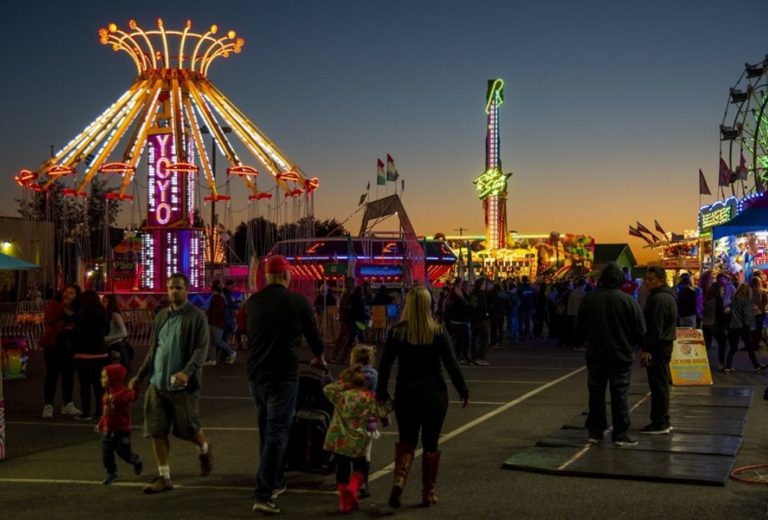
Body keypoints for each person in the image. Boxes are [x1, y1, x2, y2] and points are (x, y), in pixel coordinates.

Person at [246, 255, 327, 514]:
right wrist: (320, 358)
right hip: (283, 374)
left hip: (257, 374)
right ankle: (264, 492)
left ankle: (275, 478)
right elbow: (313, 335)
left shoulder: (253, 302)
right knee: (278, 431)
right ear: (286, 275)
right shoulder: (296, 301)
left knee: (265, 429)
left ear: (267, 276)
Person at [376, 285, 469, 509]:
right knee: (430, 442)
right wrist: (462, 390)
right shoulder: (437, 330)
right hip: (434, 394)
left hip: (406, 393)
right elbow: (452, 365)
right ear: (428, 304)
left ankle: (399, 482)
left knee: (407, 441)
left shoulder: (397, 332)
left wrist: (381, 392)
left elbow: (385, 366)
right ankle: (428, 493)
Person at [129, 273, 213, 494]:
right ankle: (164, 477)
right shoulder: (161, 317)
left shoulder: (197, 317)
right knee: (156, 430)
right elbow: (153, 350)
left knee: (187, 430)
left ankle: (204, 447)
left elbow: (201, 349)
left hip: (182, 386)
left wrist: (187, 372)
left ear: (187, 290)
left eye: (178, 287)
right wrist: (139, 377)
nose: (174, 291)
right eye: (170, 287)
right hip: (157, 384)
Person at [575, 262, 646, 447]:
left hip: (595, 354)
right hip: (620, 354)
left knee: (596, 393)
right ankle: (620, 433)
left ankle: (595, 431)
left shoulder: (589, 299)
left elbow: (578, 327)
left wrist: (587, 342)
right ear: (620, 280)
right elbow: (640, 330)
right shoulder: (628, 300)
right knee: (620, 394)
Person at [323, 364, 392, 513]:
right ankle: (353, 488)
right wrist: (390, 402)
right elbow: (381, 411)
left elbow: (327, 389)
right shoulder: (367, 397)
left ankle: (343, 501)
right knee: (360, 467)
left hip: (339, 438)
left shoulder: (340, 396)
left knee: (342, 468)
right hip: (358, 440)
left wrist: (342, 382)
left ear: (348, 382)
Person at [639, 266, 677, 435]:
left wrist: (646, 348)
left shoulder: (659, 299)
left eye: (650, 279)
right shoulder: (663, 296)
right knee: (660, 384)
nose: (647, 282)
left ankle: (659, 421)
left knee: (658, 384)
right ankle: (662, 419)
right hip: (663, 345)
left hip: (659, 347)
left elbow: (655, 328)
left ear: (661, 280)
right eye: (646, 279)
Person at [96, 363, 143, 485]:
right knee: (106, 453)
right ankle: (111, 472)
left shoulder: (123, 393)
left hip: (122, 430)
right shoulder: (106, 395)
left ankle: (135, 460)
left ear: (114, 378)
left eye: (105, 377)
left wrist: (136, 388)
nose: (102, 380)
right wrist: (101, 423)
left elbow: (133, 397)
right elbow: (105, 413)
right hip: (108, 430)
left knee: (123, 452)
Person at [348, 343, 385, 499]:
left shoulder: (350, 374)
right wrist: (384, 416)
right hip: (368, 421)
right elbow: (377, 398)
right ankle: (364, 484)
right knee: (366, 452)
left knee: (354, 453)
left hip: (351, 420)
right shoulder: (374, 375)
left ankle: (355, 482)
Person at [40, 286, 81, 418]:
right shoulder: (55, 304)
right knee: (52, 375)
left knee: (68, 376)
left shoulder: (78, 308)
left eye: (71, 293)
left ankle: (67, 404)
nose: (68, 295)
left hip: (71, 346)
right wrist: (62, 306)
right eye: (66, 292)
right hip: (54, 346)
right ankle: (48, 405)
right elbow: (49, 320)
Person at [73, 290, 110, 421]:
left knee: (85, 384)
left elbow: (77, 333)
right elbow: (107, 331)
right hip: (100, 352)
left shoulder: (81, 315)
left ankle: (86, 411)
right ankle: (100, 411)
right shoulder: (102, 314)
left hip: (84, 353)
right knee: (99, 384)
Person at [725, 283, 767, 374]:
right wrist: (752, 326)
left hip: (733, 326)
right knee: (750, 347)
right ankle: (756, 366)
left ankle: (728, 367)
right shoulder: (746, 301)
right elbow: (747, 315)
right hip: (743, 327)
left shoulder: (734, 300)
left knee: (733, 347)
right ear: (748, 291)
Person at [206, 280, 236, 366]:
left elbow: (219, 310)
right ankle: (212, 360)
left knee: (218, 340)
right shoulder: (216, 297)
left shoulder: (219, 297)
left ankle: (231, 353)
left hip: (218, 322)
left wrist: (208, 312)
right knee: (213, 341)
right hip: (214, 321)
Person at [701, 281, 728, 372]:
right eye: (722, 290)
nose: (723, 291)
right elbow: (720, 314)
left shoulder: (708, 298)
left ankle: (701, 362)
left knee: (706, 345)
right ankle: (721, 364)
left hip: (706, 324)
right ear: (718, 290)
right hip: (715, 324)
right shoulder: (718, 299)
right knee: (722, 344)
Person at [103, 294, 132, 373]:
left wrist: (107, 338)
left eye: (104, 301)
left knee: (121, 368)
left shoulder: (115, 315)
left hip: (117, 344)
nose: (102, 303)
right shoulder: (106, 314)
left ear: (110, 303)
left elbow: (124, 333)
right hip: (110, 345)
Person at [468, 278, 491, 365]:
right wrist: (485, 315)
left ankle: (474, 357)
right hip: (481, 320)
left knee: (474, 338)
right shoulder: (481, 294)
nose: (485, 286)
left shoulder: (473, 293)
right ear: (481, 285)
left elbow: (471, 306)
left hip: (474, 320)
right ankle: (481, 358)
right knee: (485, 338)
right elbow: (482, 307)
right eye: (484, 284)